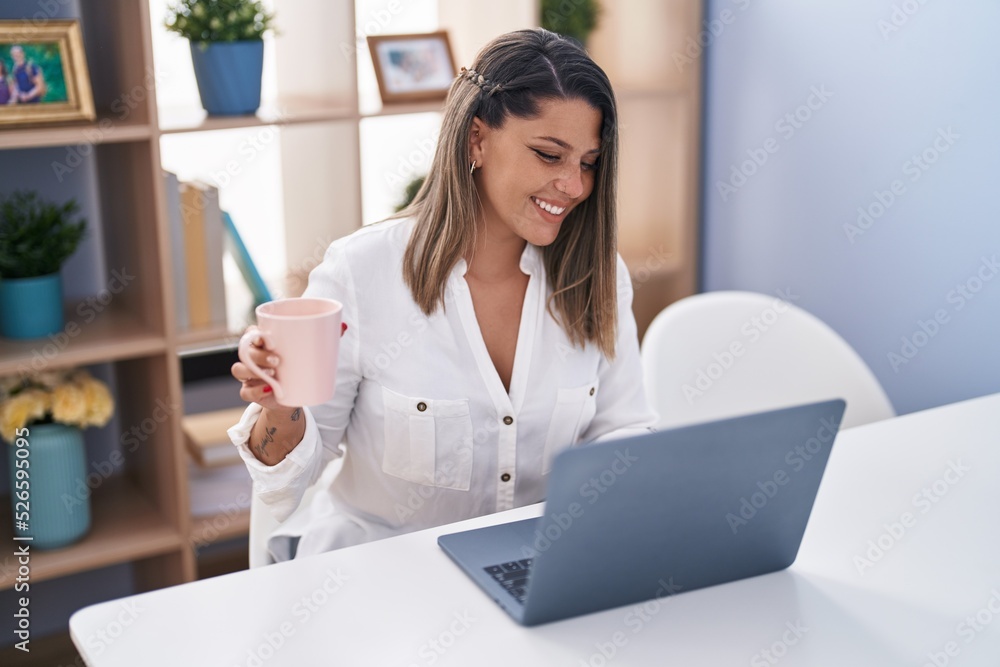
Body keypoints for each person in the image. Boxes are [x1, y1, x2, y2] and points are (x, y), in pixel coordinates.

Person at [228, 28, 657, 562]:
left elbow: (622, 428)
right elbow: (290, 479)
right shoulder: (363, 272)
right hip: (383, 572)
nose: (574, 185)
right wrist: (282, 407)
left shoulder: (598, 275)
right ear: (477, 139)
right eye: (550, 155)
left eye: (588, 163)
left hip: (535, 567)